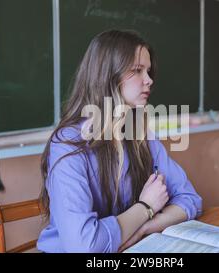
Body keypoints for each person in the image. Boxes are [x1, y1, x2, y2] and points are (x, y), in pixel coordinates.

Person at [37, 29, 202, 253]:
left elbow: (190, 199)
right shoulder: (68, 144)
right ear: (108, 76)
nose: (149, 80)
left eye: (149, 71)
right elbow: (84, 246)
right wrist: (145, 207)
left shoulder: (139, 135)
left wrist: (145, 228)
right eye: (137, 70)